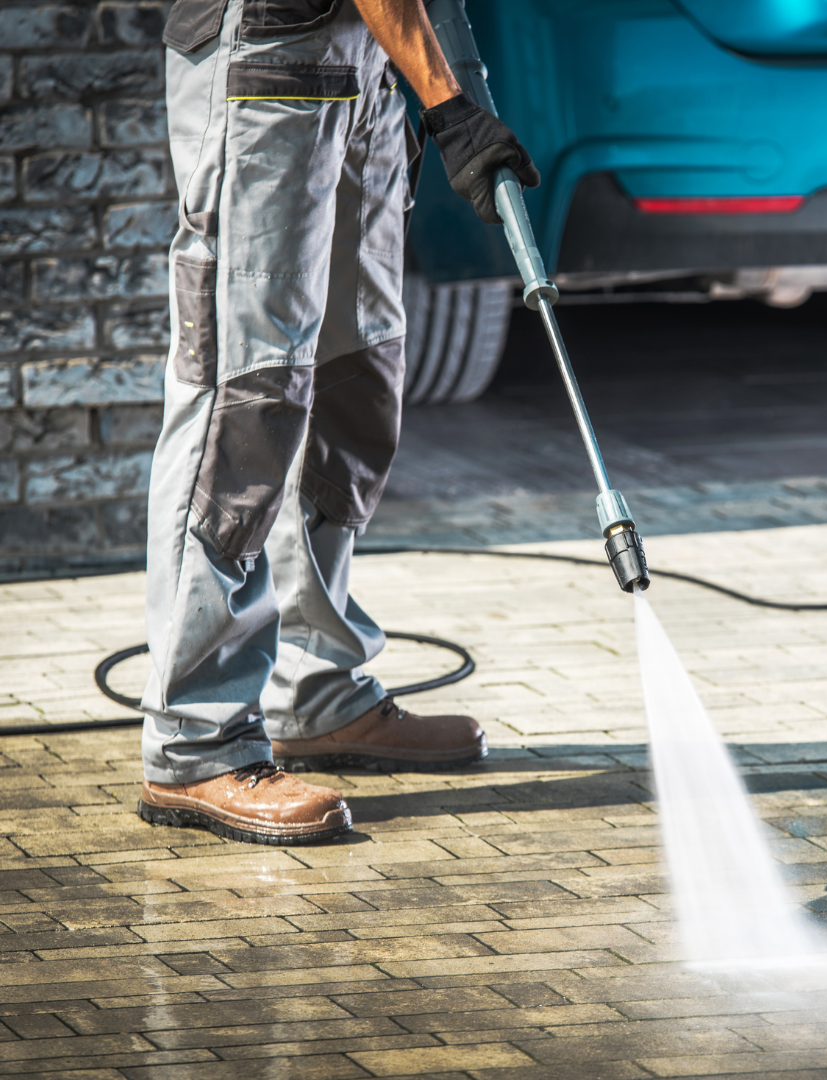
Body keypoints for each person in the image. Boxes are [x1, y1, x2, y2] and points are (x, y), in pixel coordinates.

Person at [137, 0, 538, 844]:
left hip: (364, 69)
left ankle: (316, 689)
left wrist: (445, 82)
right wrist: (448, 100)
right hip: (266, 60)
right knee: (246, 396)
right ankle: (197, 740)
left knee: (356, 380)